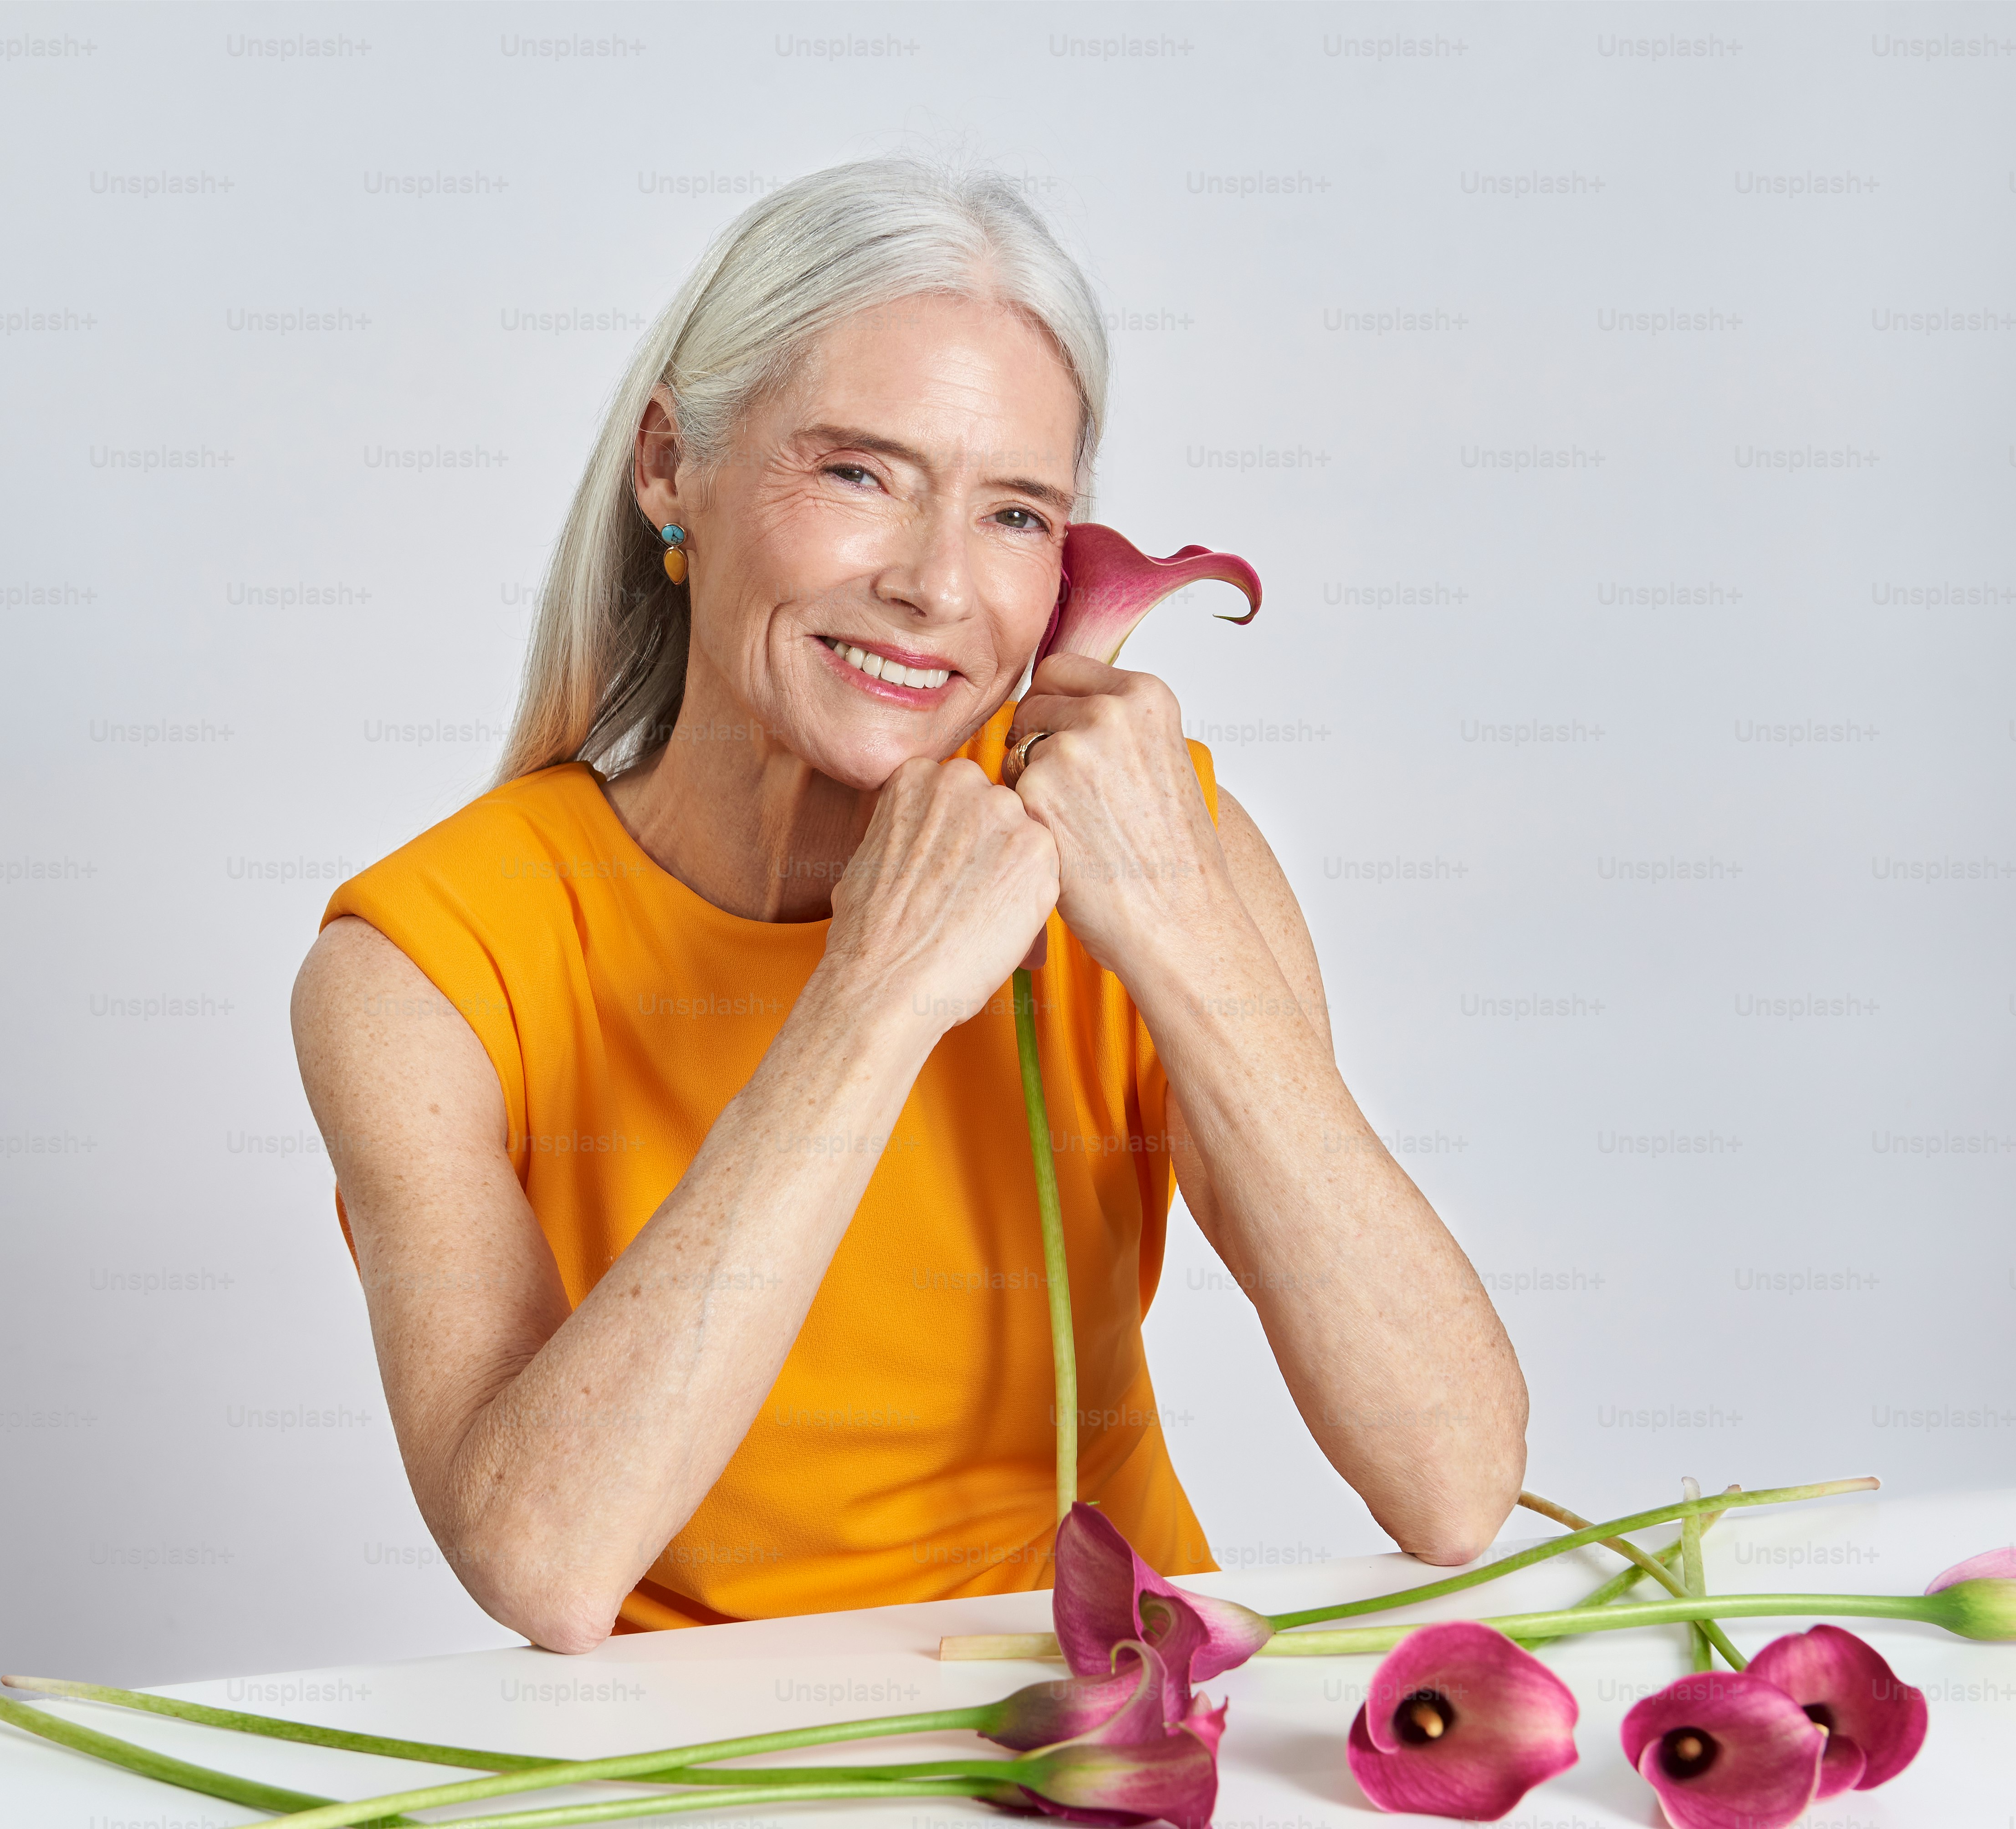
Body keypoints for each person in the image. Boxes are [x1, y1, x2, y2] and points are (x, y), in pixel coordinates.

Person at [289, 157, 1525, 1654]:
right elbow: (544, 1563)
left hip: (1105, 1710)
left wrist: (1180, 931)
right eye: (861, 475)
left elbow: (1454, 1484)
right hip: (708, 1747)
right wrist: (873, 997)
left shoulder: (1152, 845)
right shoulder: (425, 964)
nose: (938, 587)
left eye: (1016, 514)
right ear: (670, 465)